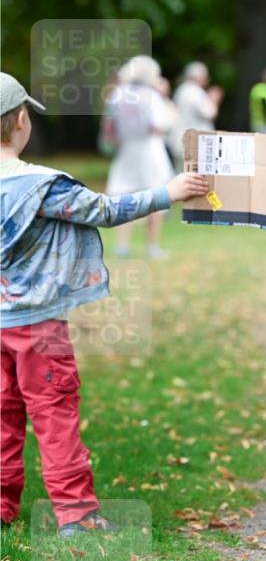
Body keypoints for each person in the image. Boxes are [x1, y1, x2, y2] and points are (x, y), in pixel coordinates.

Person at [0, 72, 209, 537]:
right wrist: (168, 193)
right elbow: (105, 211)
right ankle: (76, 515)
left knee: (2, 420)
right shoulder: (43, 186)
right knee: (54, 417)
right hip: (39, 328)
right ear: (20, 120)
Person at [102, 55, 174, 259]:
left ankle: (121, 244)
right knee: (156, 196)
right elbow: (156, 126)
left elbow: (109, 128)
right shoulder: (152, 96)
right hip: (150, 149)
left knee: (123, 196)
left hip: (127, 149)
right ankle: (151, 245)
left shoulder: (116, 95)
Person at [170, 62, 223, 166]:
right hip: (194, 142)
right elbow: (209, 113)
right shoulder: (196, 92)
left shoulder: (181, 90)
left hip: (180, 138)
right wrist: (214, 99)